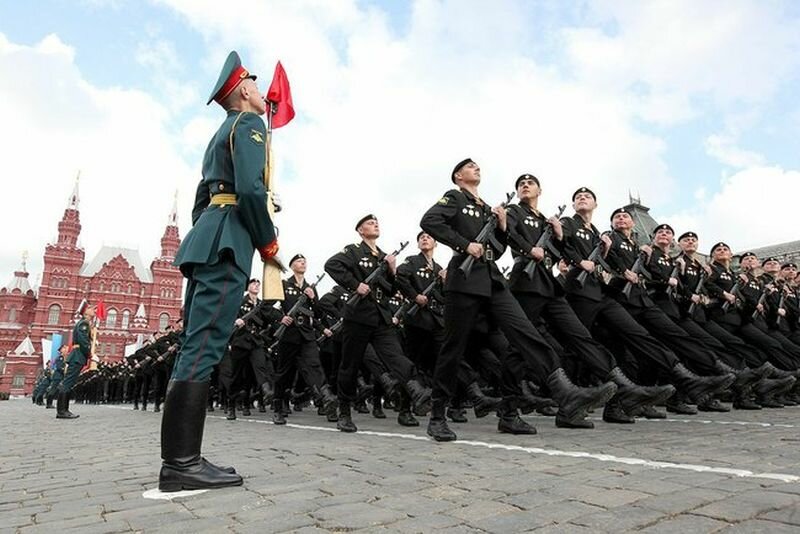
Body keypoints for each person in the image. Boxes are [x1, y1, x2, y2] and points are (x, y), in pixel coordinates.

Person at [420, 159, 618, 442]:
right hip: (464, 282)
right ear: (458, 176)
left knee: (525, 332)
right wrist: (463, 244)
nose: (477, 169)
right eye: (470, 167)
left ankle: (564, 392)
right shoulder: (454, 197)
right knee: (454, 347)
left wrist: (500, 227)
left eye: (478, 166)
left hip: (492, 280)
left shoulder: (487, 207)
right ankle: (437, 415)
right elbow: (429, 221)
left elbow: (497, 251)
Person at [158, 51, 279, 492]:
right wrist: (266, 236)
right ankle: (181, 464)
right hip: (229, 243)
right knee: (205, 346)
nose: (262, 91)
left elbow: (199, 201)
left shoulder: (218, 136)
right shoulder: (249, 125)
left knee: (196, 342)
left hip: (209, 237)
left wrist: (209, 232)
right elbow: (249, 188)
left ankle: (182, 458)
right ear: (245, 89)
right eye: (256, 84)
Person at [325, 215, 432, 433]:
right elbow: (331, 265)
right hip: (358, 316)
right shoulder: (354, 251)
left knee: (396, 358)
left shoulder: (384, 257)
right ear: (360, 231)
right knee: (350, 364)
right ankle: (344, 412)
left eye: (376, 222)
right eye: (369, 223)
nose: (375, 224)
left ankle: (413, 393)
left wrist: (392, 270)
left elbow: (391, 290)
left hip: (381, 318)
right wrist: (355, 285)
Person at [56, 301, 96, 419]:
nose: (94, 309)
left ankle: (64, 410)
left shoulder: (84, 323)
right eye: (90, 308)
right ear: (85, 312)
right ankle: (62, 411)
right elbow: (84, 341)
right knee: (68, 383)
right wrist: (89, 354)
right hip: (78, 356)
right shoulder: (83, 323)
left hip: (78, 356)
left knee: (69, 382)